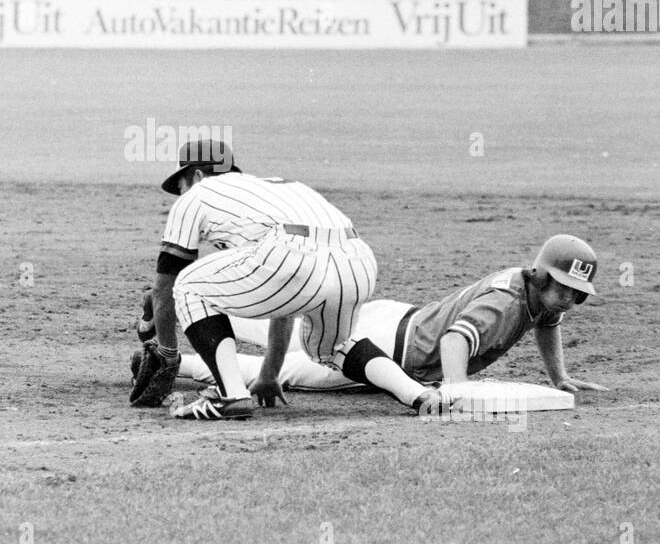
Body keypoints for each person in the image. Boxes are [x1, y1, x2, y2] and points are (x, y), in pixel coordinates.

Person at [134, 235, 609, 411]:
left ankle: (182, 305)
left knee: (289, 324)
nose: (569, 297)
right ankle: (184, 362)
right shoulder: (506, 302)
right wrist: (459, 391)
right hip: (390, 349)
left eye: (576, 292)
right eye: (564, 286)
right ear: (542, 275)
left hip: (391, 316)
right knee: (286, 370)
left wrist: (560, 377)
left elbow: (549, 323)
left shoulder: (537, 295)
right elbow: (455, 339)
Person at [130, 139, 377, 420]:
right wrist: (270, 373)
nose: (180, 195)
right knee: (326, 348)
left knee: (190, 294)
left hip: (318, 299)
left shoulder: (202, 201)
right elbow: (281, 298)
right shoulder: (259, 207)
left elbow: (168, 288)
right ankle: (419, 396)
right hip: (350, 279)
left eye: (181, 186)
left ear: (197, 176)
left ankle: (227, 391)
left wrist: (168, 354)